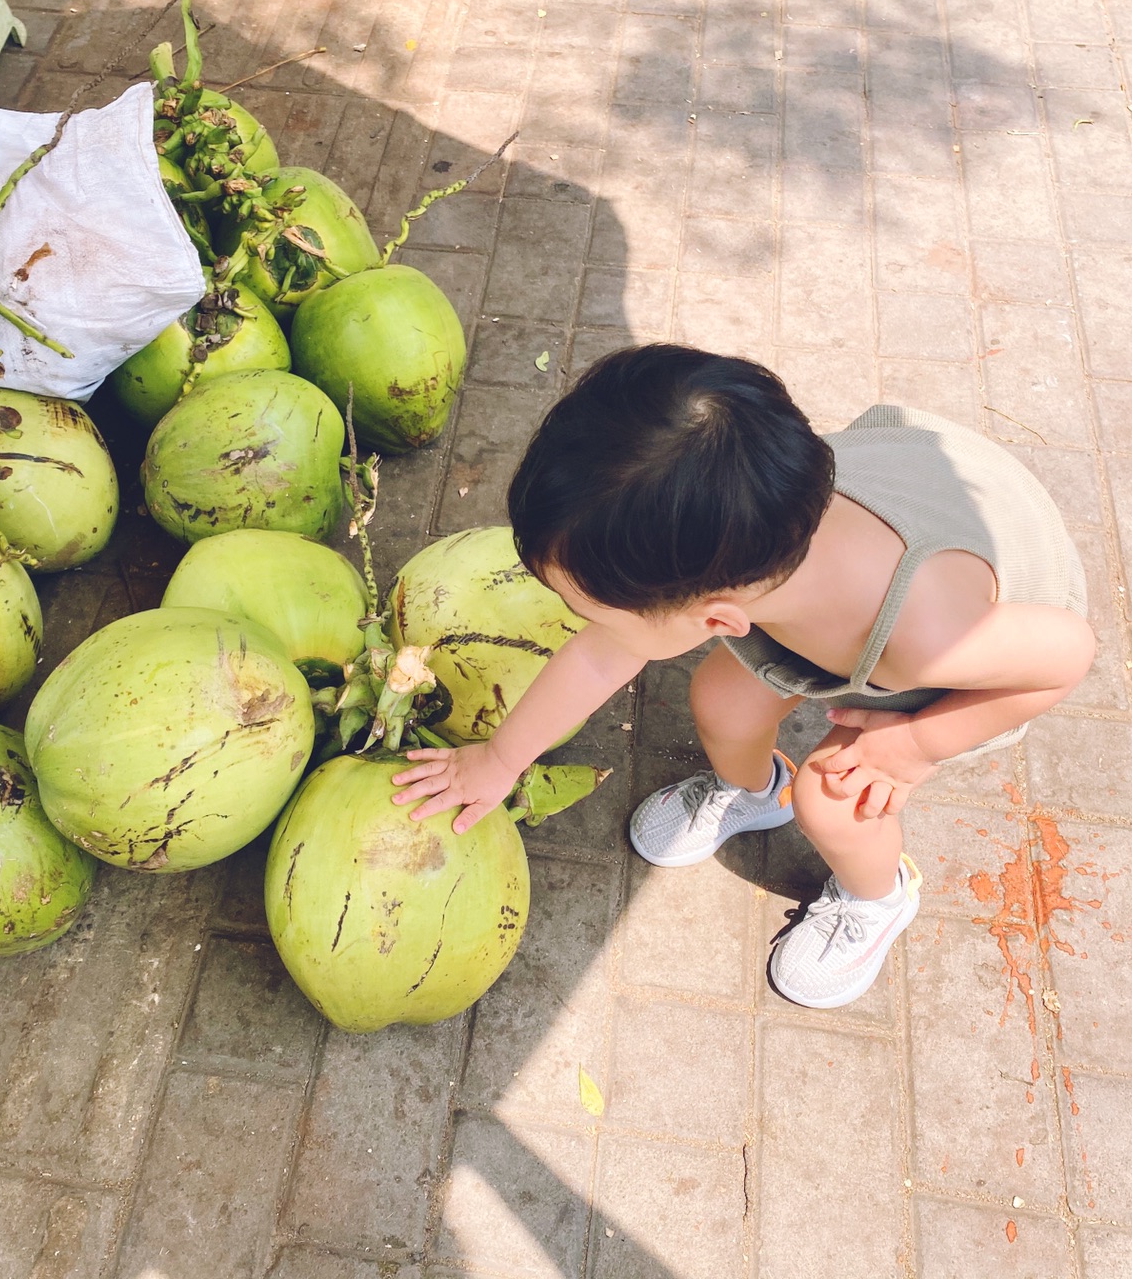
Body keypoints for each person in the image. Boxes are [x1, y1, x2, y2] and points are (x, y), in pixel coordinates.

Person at [389, 345, 1095, 1009]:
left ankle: (878, 898)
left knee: (834, 798)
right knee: (723, 701)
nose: (573, 620)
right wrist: (498, 758)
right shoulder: (747, 516)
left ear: (721, 620)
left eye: (585, 607)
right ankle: (755, 791)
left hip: (989, 638)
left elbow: (1066, 655)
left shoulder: (926, 639)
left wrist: (914, 745)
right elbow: (608, 651)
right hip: (853, 573)